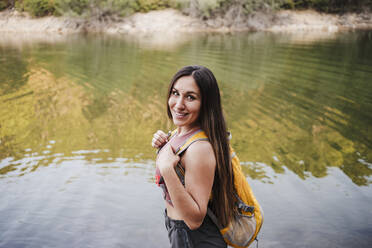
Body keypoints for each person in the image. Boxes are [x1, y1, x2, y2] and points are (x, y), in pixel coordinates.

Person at [152, 65, 236, 248]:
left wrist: (167, 169)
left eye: (190, 97)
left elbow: (195, 220)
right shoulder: (180, 134)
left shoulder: (200, 149)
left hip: (195, 238)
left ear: (206, 103)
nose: (179, 104)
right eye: (175, 93)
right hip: (180, 232)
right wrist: (164, 144)